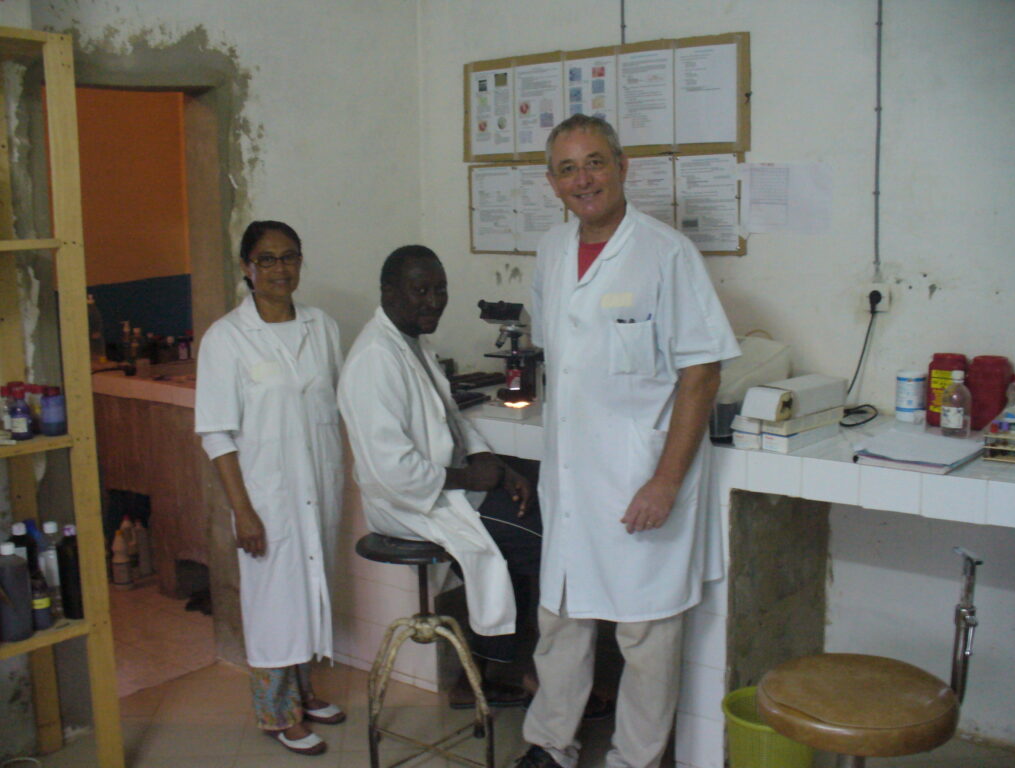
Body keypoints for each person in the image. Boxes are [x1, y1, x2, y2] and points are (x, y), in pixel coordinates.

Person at [516, 115, 741, 768]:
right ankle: (550, 744)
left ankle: (634, 760)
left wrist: (665, 480)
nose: (583, 179)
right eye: (567, 169)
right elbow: (561, 356)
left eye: (594, 162)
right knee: (561, 618)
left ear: (622, 166)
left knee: (647, 636)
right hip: (573, 479)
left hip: (641, 475)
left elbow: (702, 373)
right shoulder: (551, 251)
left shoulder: (666, 253)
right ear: (552, 183)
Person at [338, 245, 541, 708]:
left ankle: (484, 676)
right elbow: (392, 473)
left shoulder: (414, 343)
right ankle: (536, 677)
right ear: (389, 292)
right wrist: (472, 478)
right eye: (421, 290)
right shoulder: (374, 360)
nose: (434, 301)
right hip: (411, 504)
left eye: (440, 289)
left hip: (447, 489)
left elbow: (452, 421)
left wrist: (497, 466)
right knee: (544, 541)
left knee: (534, 513)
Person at [194, 220, 346, 757]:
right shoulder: (226, 339)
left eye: (290, 257)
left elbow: (337, 401)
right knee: (272, 603)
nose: (280, 269)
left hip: (319, 486)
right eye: (267, 259)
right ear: (247, 267)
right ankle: (277, 712)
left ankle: (303, 693)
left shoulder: (322, 326)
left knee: (309, 590)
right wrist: (244, 511)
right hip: (266, 496)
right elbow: (217, 433)